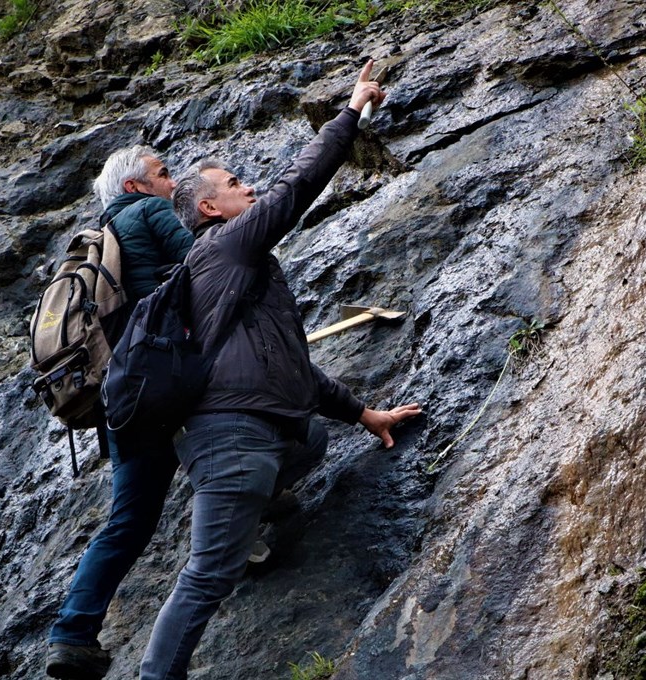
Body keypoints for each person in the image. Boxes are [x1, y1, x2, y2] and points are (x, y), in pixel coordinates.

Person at [138, 59, 422, 680]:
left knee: (312, 436)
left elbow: (289, 372)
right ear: (211, 209)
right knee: (208, 574)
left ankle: (251, 513)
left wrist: (363, 414)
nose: (252, 190)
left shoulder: (245, 274)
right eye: (237, 183)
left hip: (258, 428)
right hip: (232, 439)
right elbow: (296, 188)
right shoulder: (224, 247)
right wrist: (348, 114)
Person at [45, 146, 195, 680]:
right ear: (135, 187)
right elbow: (204, 259)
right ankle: (257, 517)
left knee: (127, 521)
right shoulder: (151, 212)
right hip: (165, 378)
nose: (173, 182)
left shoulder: (101, 241)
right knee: (235, 434)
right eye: (163, 173)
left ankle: (72, 636)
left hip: (120, 393)